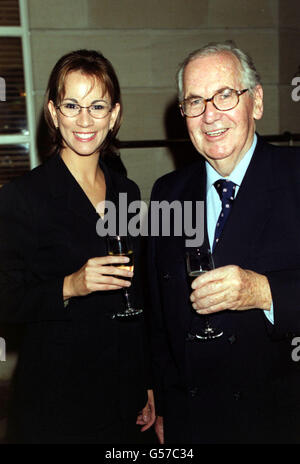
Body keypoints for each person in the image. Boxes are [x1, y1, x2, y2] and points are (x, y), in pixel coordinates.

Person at [148, 41, 300, 444]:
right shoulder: (167, 192)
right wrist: (165, 404)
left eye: (225, 96)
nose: (209, 114)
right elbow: (160, 315)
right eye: (194, 101)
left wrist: (264, 292)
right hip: (191, 421)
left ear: (257, 102)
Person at [0, 49, 155, 443]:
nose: (84, 120)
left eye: (97, 106)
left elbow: (138, 295)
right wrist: (70, 285)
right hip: (57, 399)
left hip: (123, 394)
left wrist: (149, 382)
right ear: (54, 113)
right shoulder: (22, 197)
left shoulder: (127, 191)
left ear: (114, 115)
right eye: (72, 105)